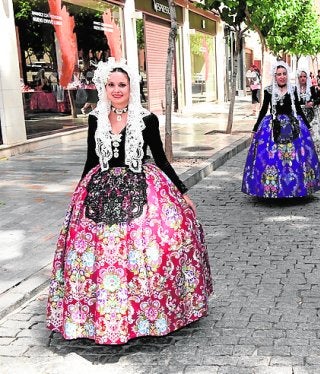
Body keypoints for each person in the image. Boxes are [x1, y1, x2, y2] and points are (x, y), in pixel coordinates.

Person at [46, 58, 212, 345]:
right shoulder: (95, 118)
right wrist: (78, 195)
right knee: (92, 253)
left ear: (131, 86)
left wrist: (182, 192)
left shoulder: (147, 119)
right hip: (100, 187)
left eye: (122, 84)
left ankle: (152, 313)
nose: (116, 90)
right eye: (111, 85)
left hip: (143, 185)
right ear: (103, 88)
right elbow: (90, 159)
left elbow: (160, 158)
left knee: (155, 247)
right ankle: (99, 317)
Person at [242, 61, 320, 198]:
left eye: (284, 74)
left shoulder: (293, 90)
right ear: (274, 76)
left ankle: (295, 188)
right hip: (273, 126)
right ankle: (272, 189)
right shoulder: (268, 90)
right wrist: (255, 129)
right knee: (272, 159)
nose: (282, 77)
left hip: (292, 126)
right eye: (279, 74)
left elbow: (297, 109)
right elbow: (263, 111)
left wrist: (308, 127)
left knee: (296, 158)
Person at [296, 69, 320, 164]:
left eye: (304, 77)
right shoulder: (294, 90)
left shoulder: (312, 89)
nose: (302, 79)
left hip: (313, 116)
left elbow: (319, 98)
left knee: (316, 136)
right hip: (300, 116)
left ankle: (318, 157)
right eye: (300, 77)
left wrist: (313, 102)